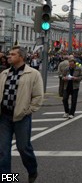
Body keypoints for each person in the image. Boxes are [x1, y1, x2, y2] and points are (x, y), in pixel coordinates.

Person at [0, 46, 43, 183]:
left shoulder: (33, 74)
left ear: (21, 57)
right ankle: (8, 179)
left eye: (13, 54)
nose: (9, 56)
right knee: (3, 151)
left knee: (23, 148)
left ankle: (32, 171)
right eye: (9, 54)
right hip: (4, 117)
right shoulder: (4, 74)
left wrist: (27, 111)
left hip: (22, 117)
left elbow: (38, 96)